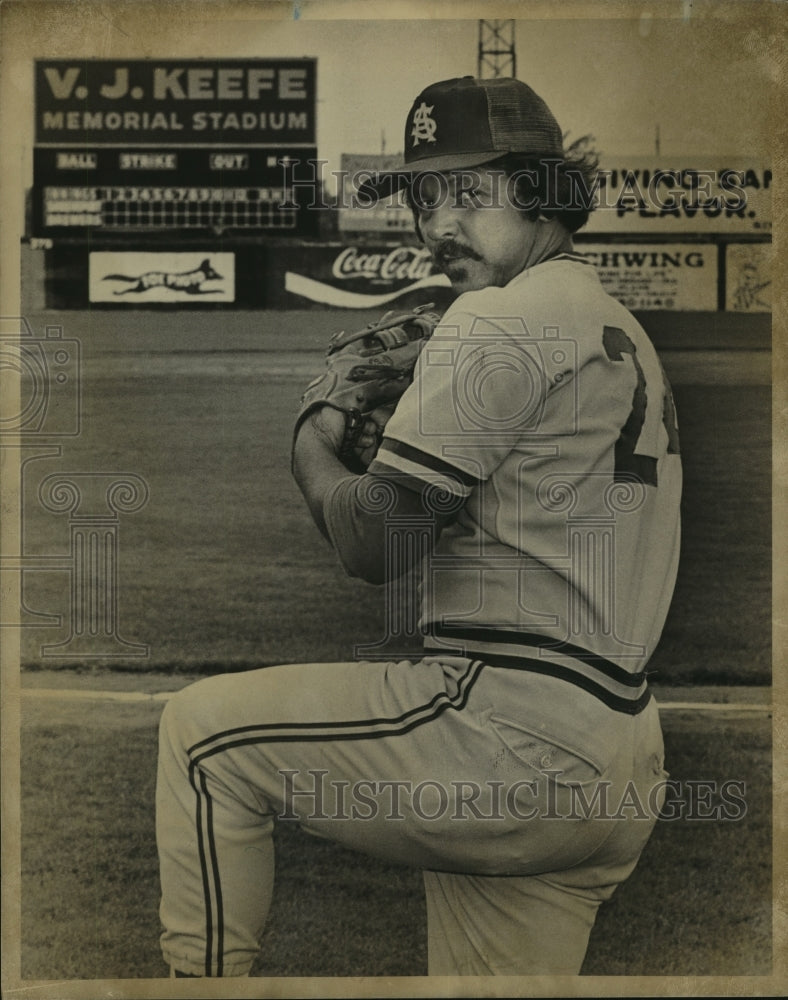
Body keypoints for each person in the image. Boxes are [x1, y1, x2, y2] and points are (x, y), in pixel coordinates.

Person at [156, 76, 682, 978]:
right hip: (620, 760)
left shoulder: (496, 318)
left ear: (541, 188)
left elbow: (377, 543)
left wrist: (314, 435)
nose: (438, 223)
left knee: (203, 739)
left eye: (468, 191)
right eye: (423, 195)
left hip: (509, 735)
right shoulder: (614, 323)